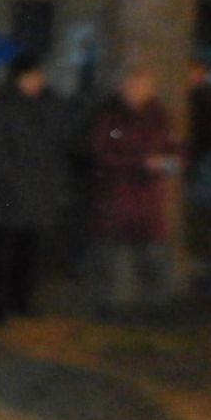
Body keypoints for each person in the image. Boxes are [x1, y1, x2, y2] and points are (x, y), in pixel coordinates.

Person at [0, 54, 70, 325]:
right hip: (9, 194)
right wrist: (13, 177)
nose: (38, 81)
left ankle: (21, 300)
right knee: (3, 251)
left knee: (27, 253)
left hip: (38, 193)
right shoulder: (1, 106)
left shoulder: (48, 106)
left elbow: (56, 146)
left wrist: (53, 181)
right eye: (33, 76)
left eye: (39, 76)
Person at [89, 70, 179, 318]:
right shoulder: (109, 116)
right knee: (109, 253)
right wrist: (139, 163)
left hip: (149, 198)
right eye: (133, 86)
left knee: (153, 254)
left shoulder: (160, 116)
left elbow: (176, 150)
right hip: (115, 194)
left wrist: (167, 164)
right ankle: (105, 304)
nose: (137, 91)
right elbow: (101, 152)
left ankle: (157, 305)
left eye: (143, 86)